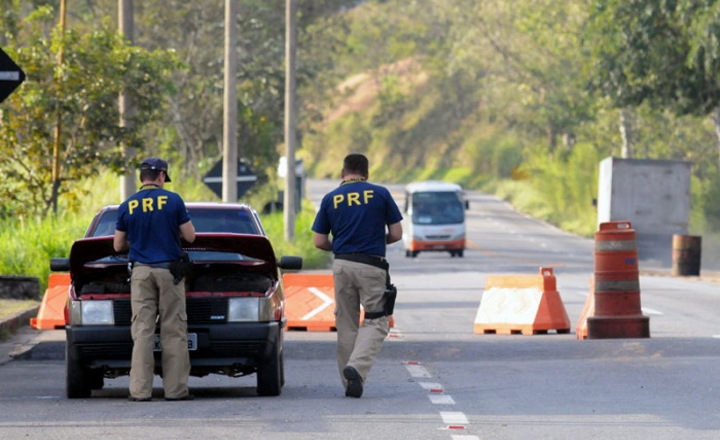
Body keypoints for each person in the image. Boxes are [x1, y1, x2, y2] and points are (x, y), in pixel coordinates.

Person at [312, 153, 403, 398]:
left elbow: (319, 241)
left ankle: (349, 382)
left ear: (343, 174)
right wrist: (376, 240)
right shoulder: (381, 193)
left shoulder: (330, 198)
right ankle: (357, 368)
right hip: (371, 266)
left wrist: (341, 246)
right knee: (377, 320)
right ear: (367, 174)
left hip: (342, 266)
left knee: (346, 323)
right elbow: (396, 233)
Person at [113, 157, 196, 402]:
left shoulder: (127, 205)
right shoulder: (173, 201)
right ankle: (175, 391)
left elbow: (118, 244)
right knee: (174, 330)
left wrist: (138, 241)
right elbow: (190, 237)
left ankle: (139, 392)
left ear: (141, 178)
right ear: (161, 176)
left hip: (140, 273)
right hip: (169, 272)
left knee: (142, 332)